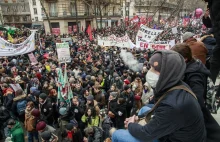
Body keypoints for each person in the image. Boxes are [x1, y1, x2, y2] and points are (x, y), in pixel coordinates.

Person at [112, 50, 206, 142]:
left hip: (175, 138)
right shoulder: (176, 84)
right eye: (151, 67)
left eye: (155, 70)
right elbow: (159, 108)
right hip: (176, 131)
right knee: (144, 109)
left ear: (167, 73)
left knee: (117, 134)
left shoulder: (173, 106)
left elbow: (146, 134)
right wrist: (138, 117)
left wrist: (131, 125)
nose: (150, 72)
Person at [172, 43, 220, 142]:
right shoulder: (191, 66)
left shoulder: (194, 74)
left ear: (184, 59)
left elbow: (197, 98)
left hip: (195, 113)